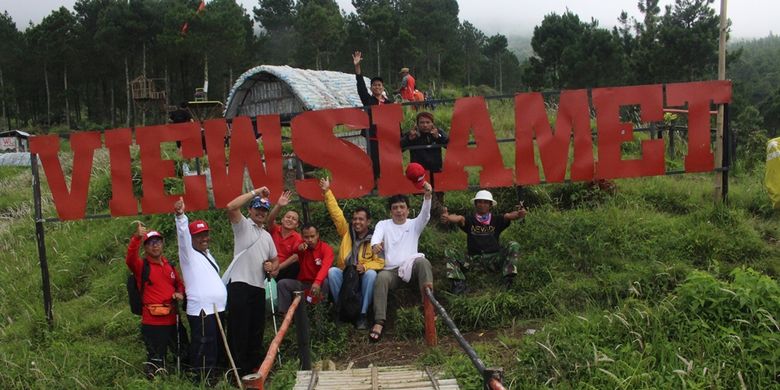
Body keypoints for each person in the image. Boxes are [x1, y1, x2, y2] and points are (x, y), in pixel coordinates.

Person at [223, 187, 279, 377]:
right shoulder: (243, 226)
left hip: (258, 286)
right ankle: (235, 369)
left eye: (264, 210)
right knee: (239, 328)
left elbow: (275, 259)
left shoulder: (267, 236)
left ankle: (253, 367)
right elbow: (231, 206)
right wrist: (255, 192)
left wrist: (272, 266)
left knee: (256, 329)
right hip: (239, 284)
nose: (261, 213)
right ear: (250, 210)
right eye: (257, 209)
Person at [369, 181, 435, 342]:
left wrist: (427, 196)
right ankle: (379, 321)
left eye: (402, 207)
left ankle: (429, 308)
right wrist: (375, 246)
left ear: (407, 209)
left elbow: (425, 215)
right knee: (381, 278)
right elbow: (375, 240)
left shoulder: (414, 224)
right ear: (390, 210)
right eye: (395, 208)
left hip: (411, 267)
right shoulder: (383, 225)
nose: (399, 211)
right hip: (391, 270)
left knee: (423, 262)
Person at [320, 177, 385, 330]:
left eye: (361, 219)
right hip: (347, 274)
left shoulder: (375, 238)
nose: (357, 222)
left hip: (362, 276)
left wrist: (366, 266)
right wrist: (327, 192)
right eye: (355, 219)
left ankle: (362, 314)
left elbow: (381, 261)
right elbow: (336, 214)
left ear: (368, 222)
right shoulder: (347, 232)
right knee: (332, 272)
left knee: (372, 275)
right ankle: (342, 309)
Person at [173, 197, 227, 381]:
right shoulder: (188, 255)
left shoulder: (207, 254)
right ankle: (203, 379)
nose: (204, 238)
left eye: (205, 234)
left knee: (216, 345)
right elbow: (182, 238)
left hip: (217, 308)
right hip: (202, 310)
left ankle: (214, 376)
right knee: (205, 345)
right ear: (192, 238)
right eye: (198, 236)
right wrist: (181, 218)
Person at [126, 223, 184, 379]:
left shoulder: (169, 266)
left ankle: (183, 379)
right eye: (151, 243)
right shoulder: (141, 266)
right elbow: (130, 258)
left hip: (173, 320)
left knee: (183, 353)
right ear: (145, 247)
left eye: (158, 242)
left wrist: (179, 293)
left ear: (162, 244)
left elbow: (179, 283)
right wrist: (137, 237)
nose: (155, 245)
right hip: (153, 322)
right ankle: (156, 381)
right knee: (156, 360)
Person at [439, 190, 527, 294]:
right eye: (479, 202)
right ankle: (458, 284)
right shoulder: (469, 220)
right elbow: (459, 218)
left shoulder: (496, 219)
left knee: (513, 245)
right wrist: (448, 218)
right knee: (450, 251)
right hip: (473, 261)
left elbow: (509, 215)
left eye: (485, 202)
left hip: (494, 260)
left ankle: (508, 279)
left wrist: (519, 214)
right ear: (475, 204)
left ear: (490, 205)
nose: (482, 205)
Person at [353, 50, 393, 181]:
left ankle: (387, 181)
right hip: (373, 137)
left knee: (387, 162)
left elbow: (394, 120)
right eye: (374, 85)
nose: (377, 87)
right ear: (371, 88)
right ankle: (374, 183)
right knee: (374, 161)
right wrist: (357, 67)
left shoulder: (388, 103)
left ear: (383, 87)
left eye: (379, 85)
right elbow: (360, 87)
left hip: (386, 137)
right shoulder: (368, 100)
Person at [276, 224, 334, 313]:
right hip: (302, 284)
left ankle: (321, 313)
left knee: (325, 282)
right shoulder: (302, 247)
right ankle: (285, 315)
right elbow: (294, 249)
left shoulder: (326, 248)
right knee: (282, 283)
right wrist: (299, 248)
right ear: (302, 236)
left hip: (318, 283)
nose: (310, 240)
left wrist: (317, 282)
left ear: (318, 235)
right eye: (306, 237)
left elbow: (325, 267)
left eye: (312, 236)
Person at [401, 111, 449, 211]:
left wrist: (438, 137)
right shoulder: (413, 134)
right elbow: (399, 147)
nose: (425, 125)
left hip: (435, 170)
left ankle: (438, 214)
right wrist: (409, 139)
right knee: (420, 197)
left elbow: (449, 144)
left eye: (428, 122)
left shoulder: (437, 132)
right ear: (417, 124)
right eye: (422, 123)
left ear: (432, 123)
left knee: (438, 195)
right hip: (419, 173)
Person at [265, 191, 303, 281]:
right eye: (288, 217)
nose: (290, 220)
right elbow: (270, 220)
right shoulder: (275, 229)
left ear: (297, 225)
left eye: (294, 219)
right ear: (282, 220)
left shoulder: (297, 237)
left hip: (284, 269)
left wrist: (278, 268)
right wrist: (279, 205)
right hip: (268, 266)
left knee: (296, 265)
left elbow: (295, 257)